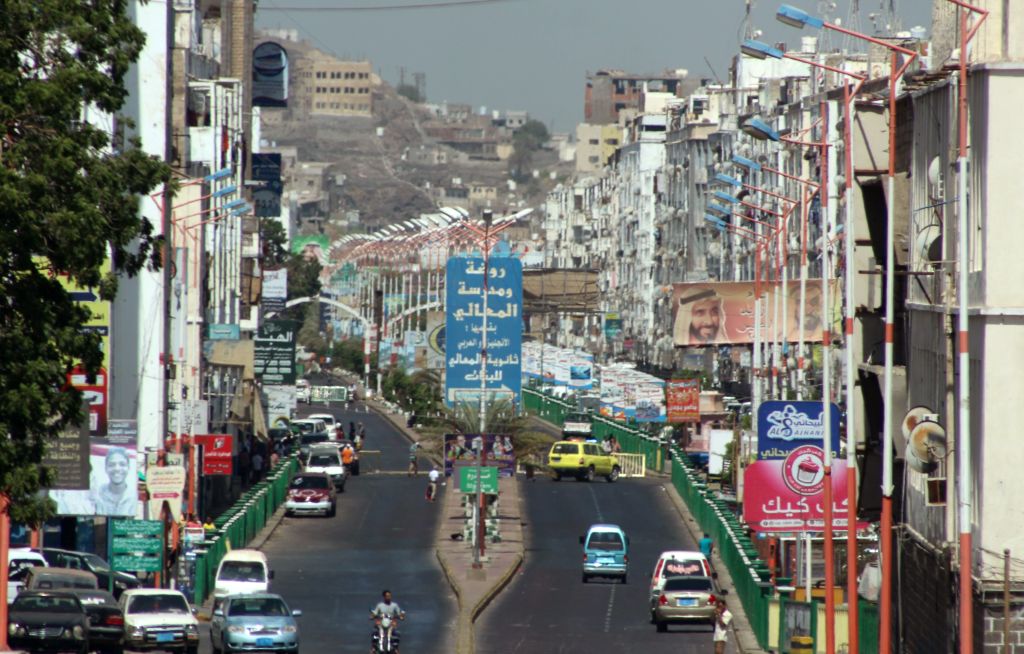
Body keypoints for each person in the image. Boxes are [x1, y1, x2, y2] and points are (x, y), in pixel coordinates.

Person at [90, 447, 136, 515]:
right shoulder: (97, 495)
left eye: (122, 464)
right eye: (112, 465)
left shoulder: (134, 497)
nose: (117, 468)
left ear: (129, 467)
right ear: (105, 468)